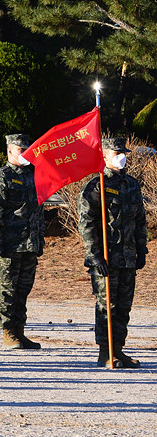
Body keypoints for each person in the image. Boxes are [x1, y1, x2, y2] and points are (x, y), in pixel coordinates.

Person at [78, 137, 147, 368]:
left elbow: (140, 220)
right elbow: (86, 222)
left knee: (124, 306)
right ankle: (105, 352)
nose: (122, 156)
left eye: (123, 152)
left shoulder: (132, 184)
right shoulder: (96, 185)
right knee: (107, 305)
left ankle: (118, 350)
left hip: (127, 256)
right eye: (116, 153)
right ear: (104, 157)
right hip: (105, 258)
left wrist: (141, 249)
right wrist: (94, 254)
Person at [0, 134, 45, 349]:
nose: (26, 153)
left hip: (29, 244)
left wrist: (39, 239)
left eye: (27, 149)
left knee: (23, 290)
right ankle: (8, 331)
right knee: (8, 290)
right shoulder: (1, 178)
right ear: (10, 151)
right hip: (9, 245)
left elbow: (38, 212)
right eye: (21, 150)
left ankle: (19, 331)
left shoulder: (33, 176)